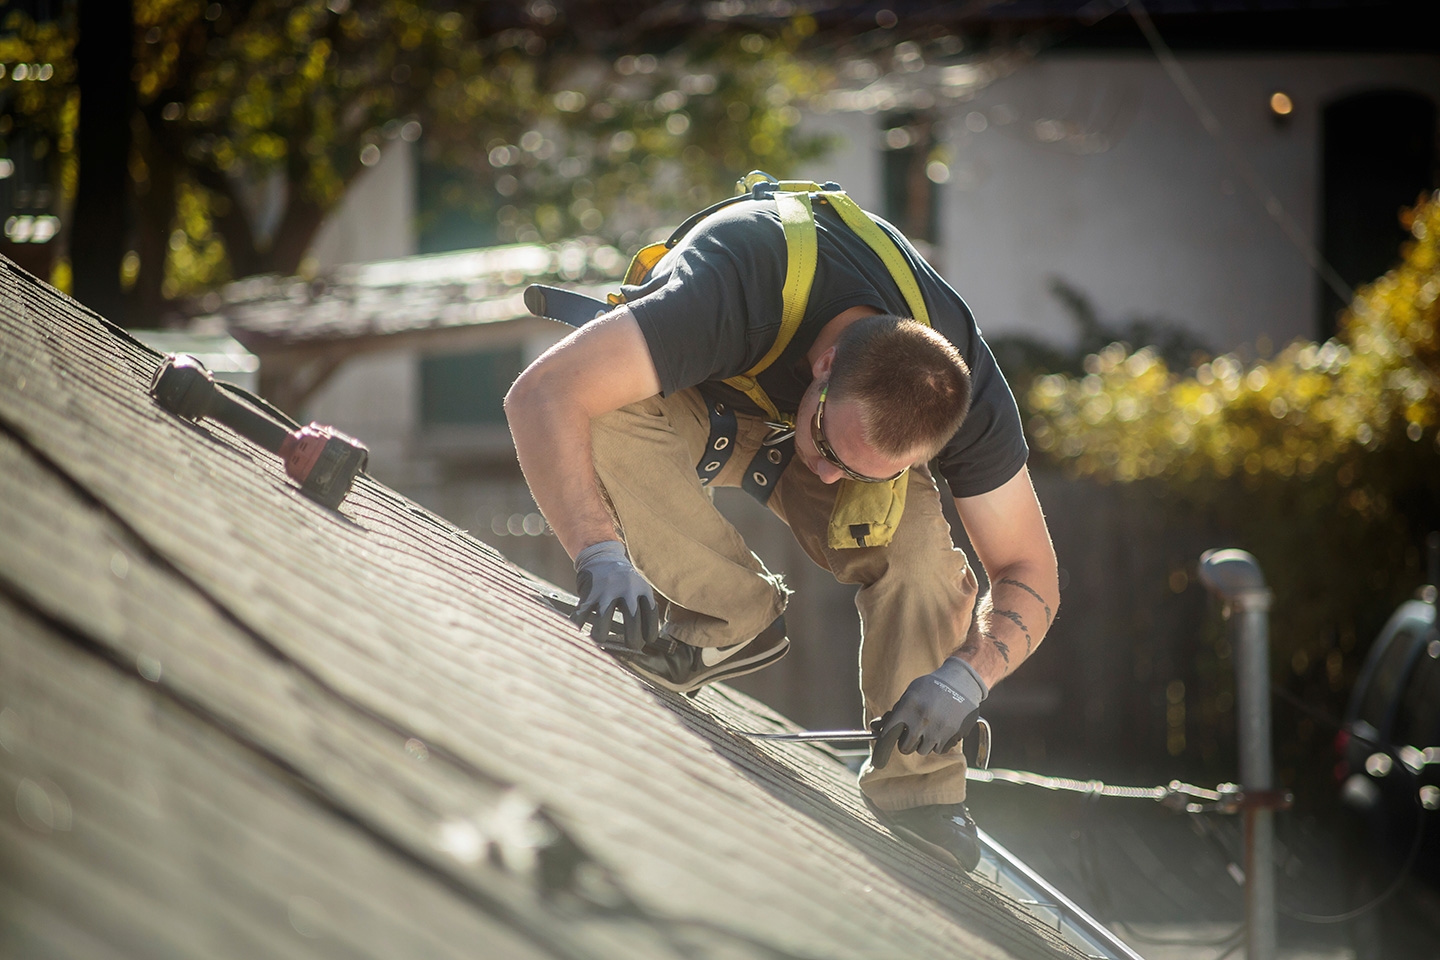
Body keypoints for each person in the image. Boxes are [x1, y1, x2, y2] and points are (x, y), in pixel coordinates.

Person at [504, 187, 1059, 872]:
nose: (827, 479)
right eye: (829, 444)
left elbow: (1030, 571)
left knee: (920, 552)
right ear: (823, 367)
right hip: (700, 402)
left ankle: (919, 791)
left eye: (861, 470)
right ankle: (730, 618)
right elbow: (542, 392)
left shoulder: (962, 392)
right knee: (595, 414)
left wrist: (968, 678)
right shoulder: (734, 286)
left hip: (809, 413)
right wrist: (599, 552)